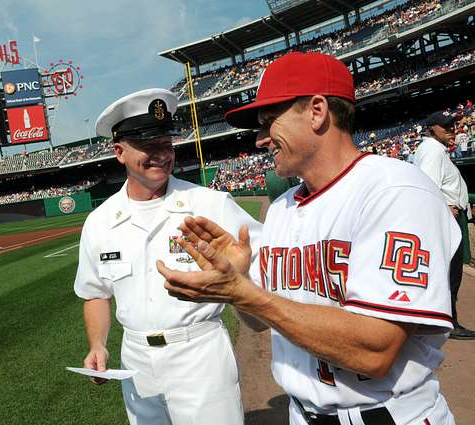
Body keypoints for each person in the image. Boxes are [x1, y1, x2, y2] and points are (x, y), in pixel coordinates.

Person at [157, 52, 460, 425]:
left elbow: (376, 350)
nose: (260, 139)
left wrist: (245, 293)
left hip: (387, 415)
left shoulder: (395, 190)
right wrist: (238, 284)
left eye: (269, 121)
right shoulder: (282, 208)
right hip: (302, 413)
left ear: (317, 111)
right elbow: (259, 321)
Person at [73, 88, 262, 425]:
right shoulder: (99, 222)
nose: (161, 154)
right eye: (148, 146)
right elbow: (96, 293)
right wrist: (97, 346)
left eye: (166, 143)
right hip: (135, 362)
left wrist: (242, 281)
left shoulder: (211, 204)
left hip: (199, 354)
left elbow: (265, 267)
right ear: (119, 151)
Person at [413, 110, 475, 340]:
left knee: (447, 273)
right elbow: (427, 185)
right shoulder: (432, 151)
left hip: (445, 217)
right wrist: (443, 207)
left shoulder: (433, 149)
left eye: (452, 126)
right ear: (431, 130)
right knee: (450, 274)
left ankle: (443, 321)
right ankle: (449, 323)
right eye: (445, 126)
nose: (452, 130)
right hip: (446, 219)